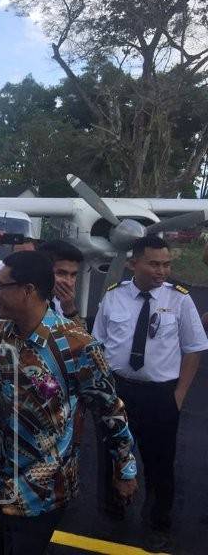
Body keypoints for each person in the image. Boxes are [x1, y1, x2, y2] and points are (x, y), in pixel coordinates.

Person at [0, 251, 138, 555]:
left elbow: (109, 411)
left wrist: (125, 468)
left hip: (45, 488)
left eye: (0, 286)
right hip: (5, 478)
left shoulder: (77, 345)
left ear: (27, 290)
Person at [92, 235, 207, 551]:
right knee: (112, 456)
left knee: (160, 463)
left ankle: (158, 523)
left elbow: (194, 349)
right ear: (133, 264)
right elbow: (97, 345)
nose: (162, 271)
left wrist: (179, 395)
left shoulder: (180, 300)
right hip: (118, 390)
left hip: (160, 395)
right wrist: (102, 389)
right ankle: (113, 512)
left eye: (167, 264)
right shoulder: (114, 297)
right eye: (154, 264)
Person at [36, 239, 86, 326]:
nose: (69, 282)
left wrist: (70, 310)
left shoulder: (60, 302)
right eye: (61, 273)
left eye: (73, 275)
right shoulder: (27, 302)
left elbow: (84, 339)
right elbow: (51, 337)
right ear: (42, 270)